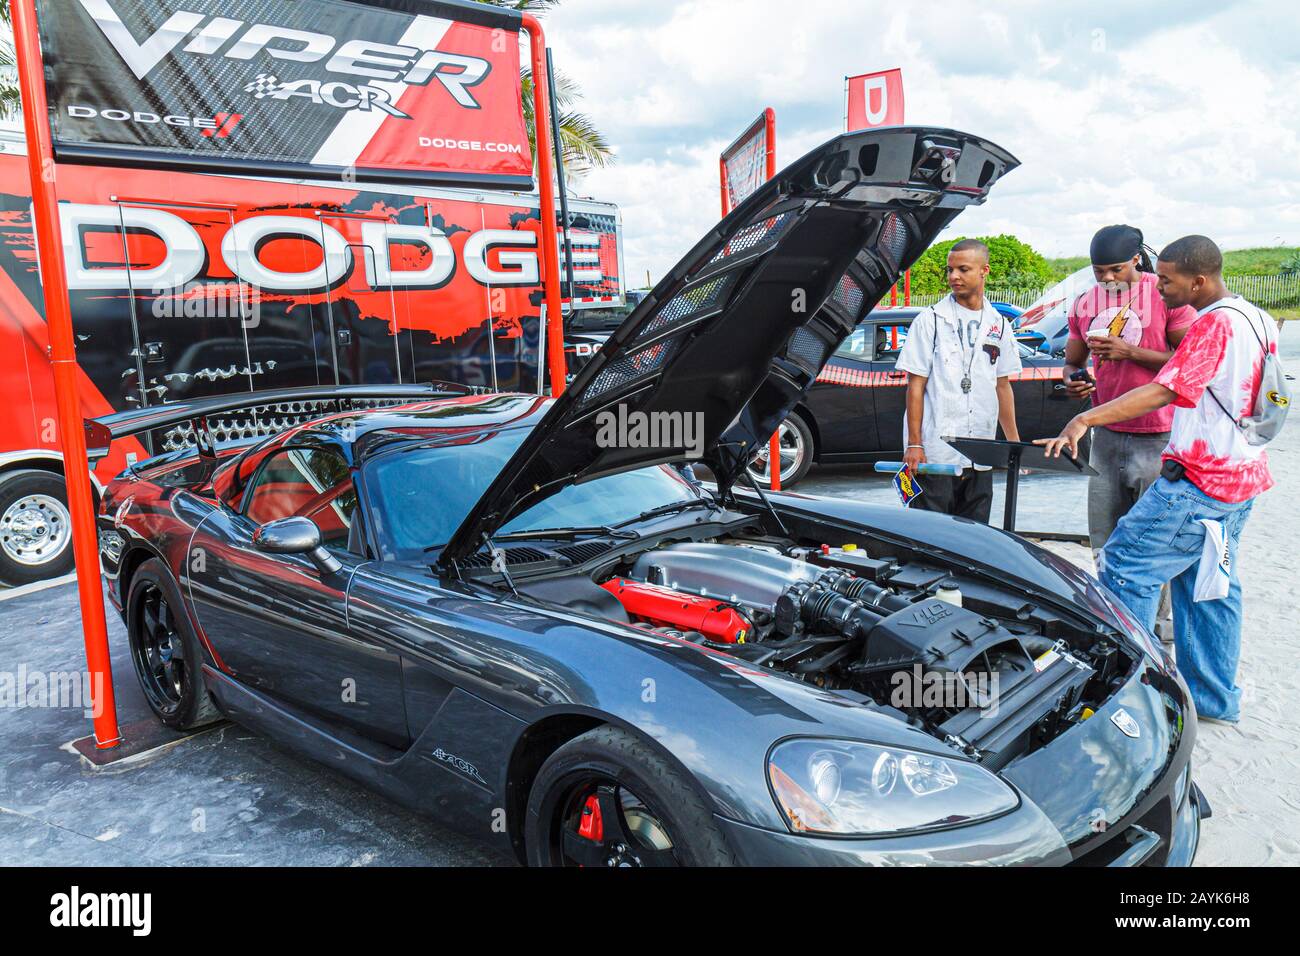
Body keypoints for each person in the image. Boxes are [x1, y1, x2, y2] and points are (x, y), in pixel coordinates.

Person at [1038, 235, 1277, 723]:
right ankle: (1213, 701)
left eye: (1167, 279)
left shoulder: (1213, 324)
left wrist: (1084, 419)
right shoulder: (1256, 316)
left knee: (1125, 566)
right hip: (1242, 476)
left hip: (1198, 480)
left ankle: (1134, 699)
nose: (1160, 285)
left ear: (1199, 281)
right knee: (1209, 584)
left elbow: (1164, 391)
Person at [1064, 225, 1197, 642]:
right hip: (1104, 436)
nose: (1106, 278)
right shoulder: (1086, 301)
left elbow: (1188, 363)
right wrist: (1075, 380)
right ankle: (1114, 625)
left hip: (1159, 436)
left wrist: (1129, 352)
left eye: (1115, 269)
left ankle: (1156, 633)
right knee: (1105, 537)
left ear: (1137, 259)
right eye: (1098, 270)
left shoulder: (1166, 295)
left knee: (1152, 542)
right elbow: (1072, 362)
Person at [897, 239, 1021, 522]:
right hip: (936, 452)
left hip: (980, 452)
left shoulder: (998, 324)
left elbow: (1002, 385)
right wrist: (914, 444)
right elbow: (915, 386)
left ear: (984, 271)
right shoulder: (931, 320)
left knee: (975, 538)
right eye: (950, 270)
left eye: (963, 269)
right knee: (930, 537)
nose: (954, 277)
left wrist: (1015, 445)